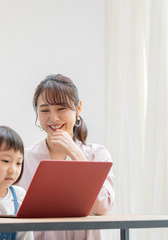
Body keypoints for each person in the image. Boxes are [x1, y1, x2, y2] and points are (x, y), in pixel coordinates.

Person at [18, 74, 114, 240]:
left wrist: (76, 154)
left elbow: (103, 206)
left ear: (78, 108)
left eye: (61, 109)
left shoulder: (97, 154)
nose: (53, 118)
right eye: (45, 110)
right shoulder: (24, 158)